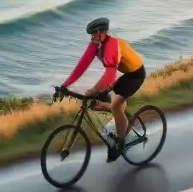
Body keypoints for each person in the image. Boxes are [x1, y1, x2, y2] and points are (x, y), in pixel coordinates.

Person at [58, 17, 146, 162]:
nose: (92, 37)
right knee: (97, 102)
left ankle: (120, 142)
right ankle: (117, 115)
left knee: (116, 105)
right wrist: (65, 85)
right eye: (91, 34)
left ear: (102, 32)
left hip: (135, 75)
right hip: (125, 74)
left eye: (94, 34)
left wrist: (93, 90)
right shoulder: (95, 45)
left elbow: (110, 76)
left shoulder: (112, 45)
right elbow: (82, 66)